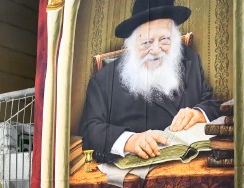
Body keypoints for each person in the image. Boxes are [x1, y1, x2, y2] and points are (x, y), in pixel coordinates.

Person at [78, 0, 222, 163]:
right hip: (142, 173)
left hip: (197, 165)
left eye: (164, 39)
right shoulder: (103, 81)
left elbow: (211, 102)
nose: (156, 50)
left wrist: (199, 113)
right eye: (147, 42)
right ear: (132, 43)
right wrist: (129, 140)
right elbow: (90, 130)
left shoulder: (190, 59)